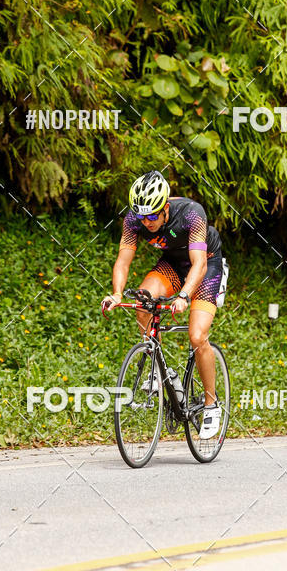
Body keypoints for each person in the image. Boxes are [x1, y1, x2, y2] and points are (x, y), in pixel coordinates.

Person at [102, 170, 227, 439]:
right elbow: (123, 261)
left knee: (197, 336)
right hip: (171, 264)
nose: (146, 222)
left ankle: (211, 403)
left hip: (206, 264)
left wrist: (183, 296)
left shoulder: (192, 214)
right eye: (141, 216)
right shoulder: (134, 221)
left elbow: (199, 264)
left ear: (165, 208)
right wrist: (116, 294)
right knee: (142, 301)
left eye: (152, 216)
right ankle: (162, 373)